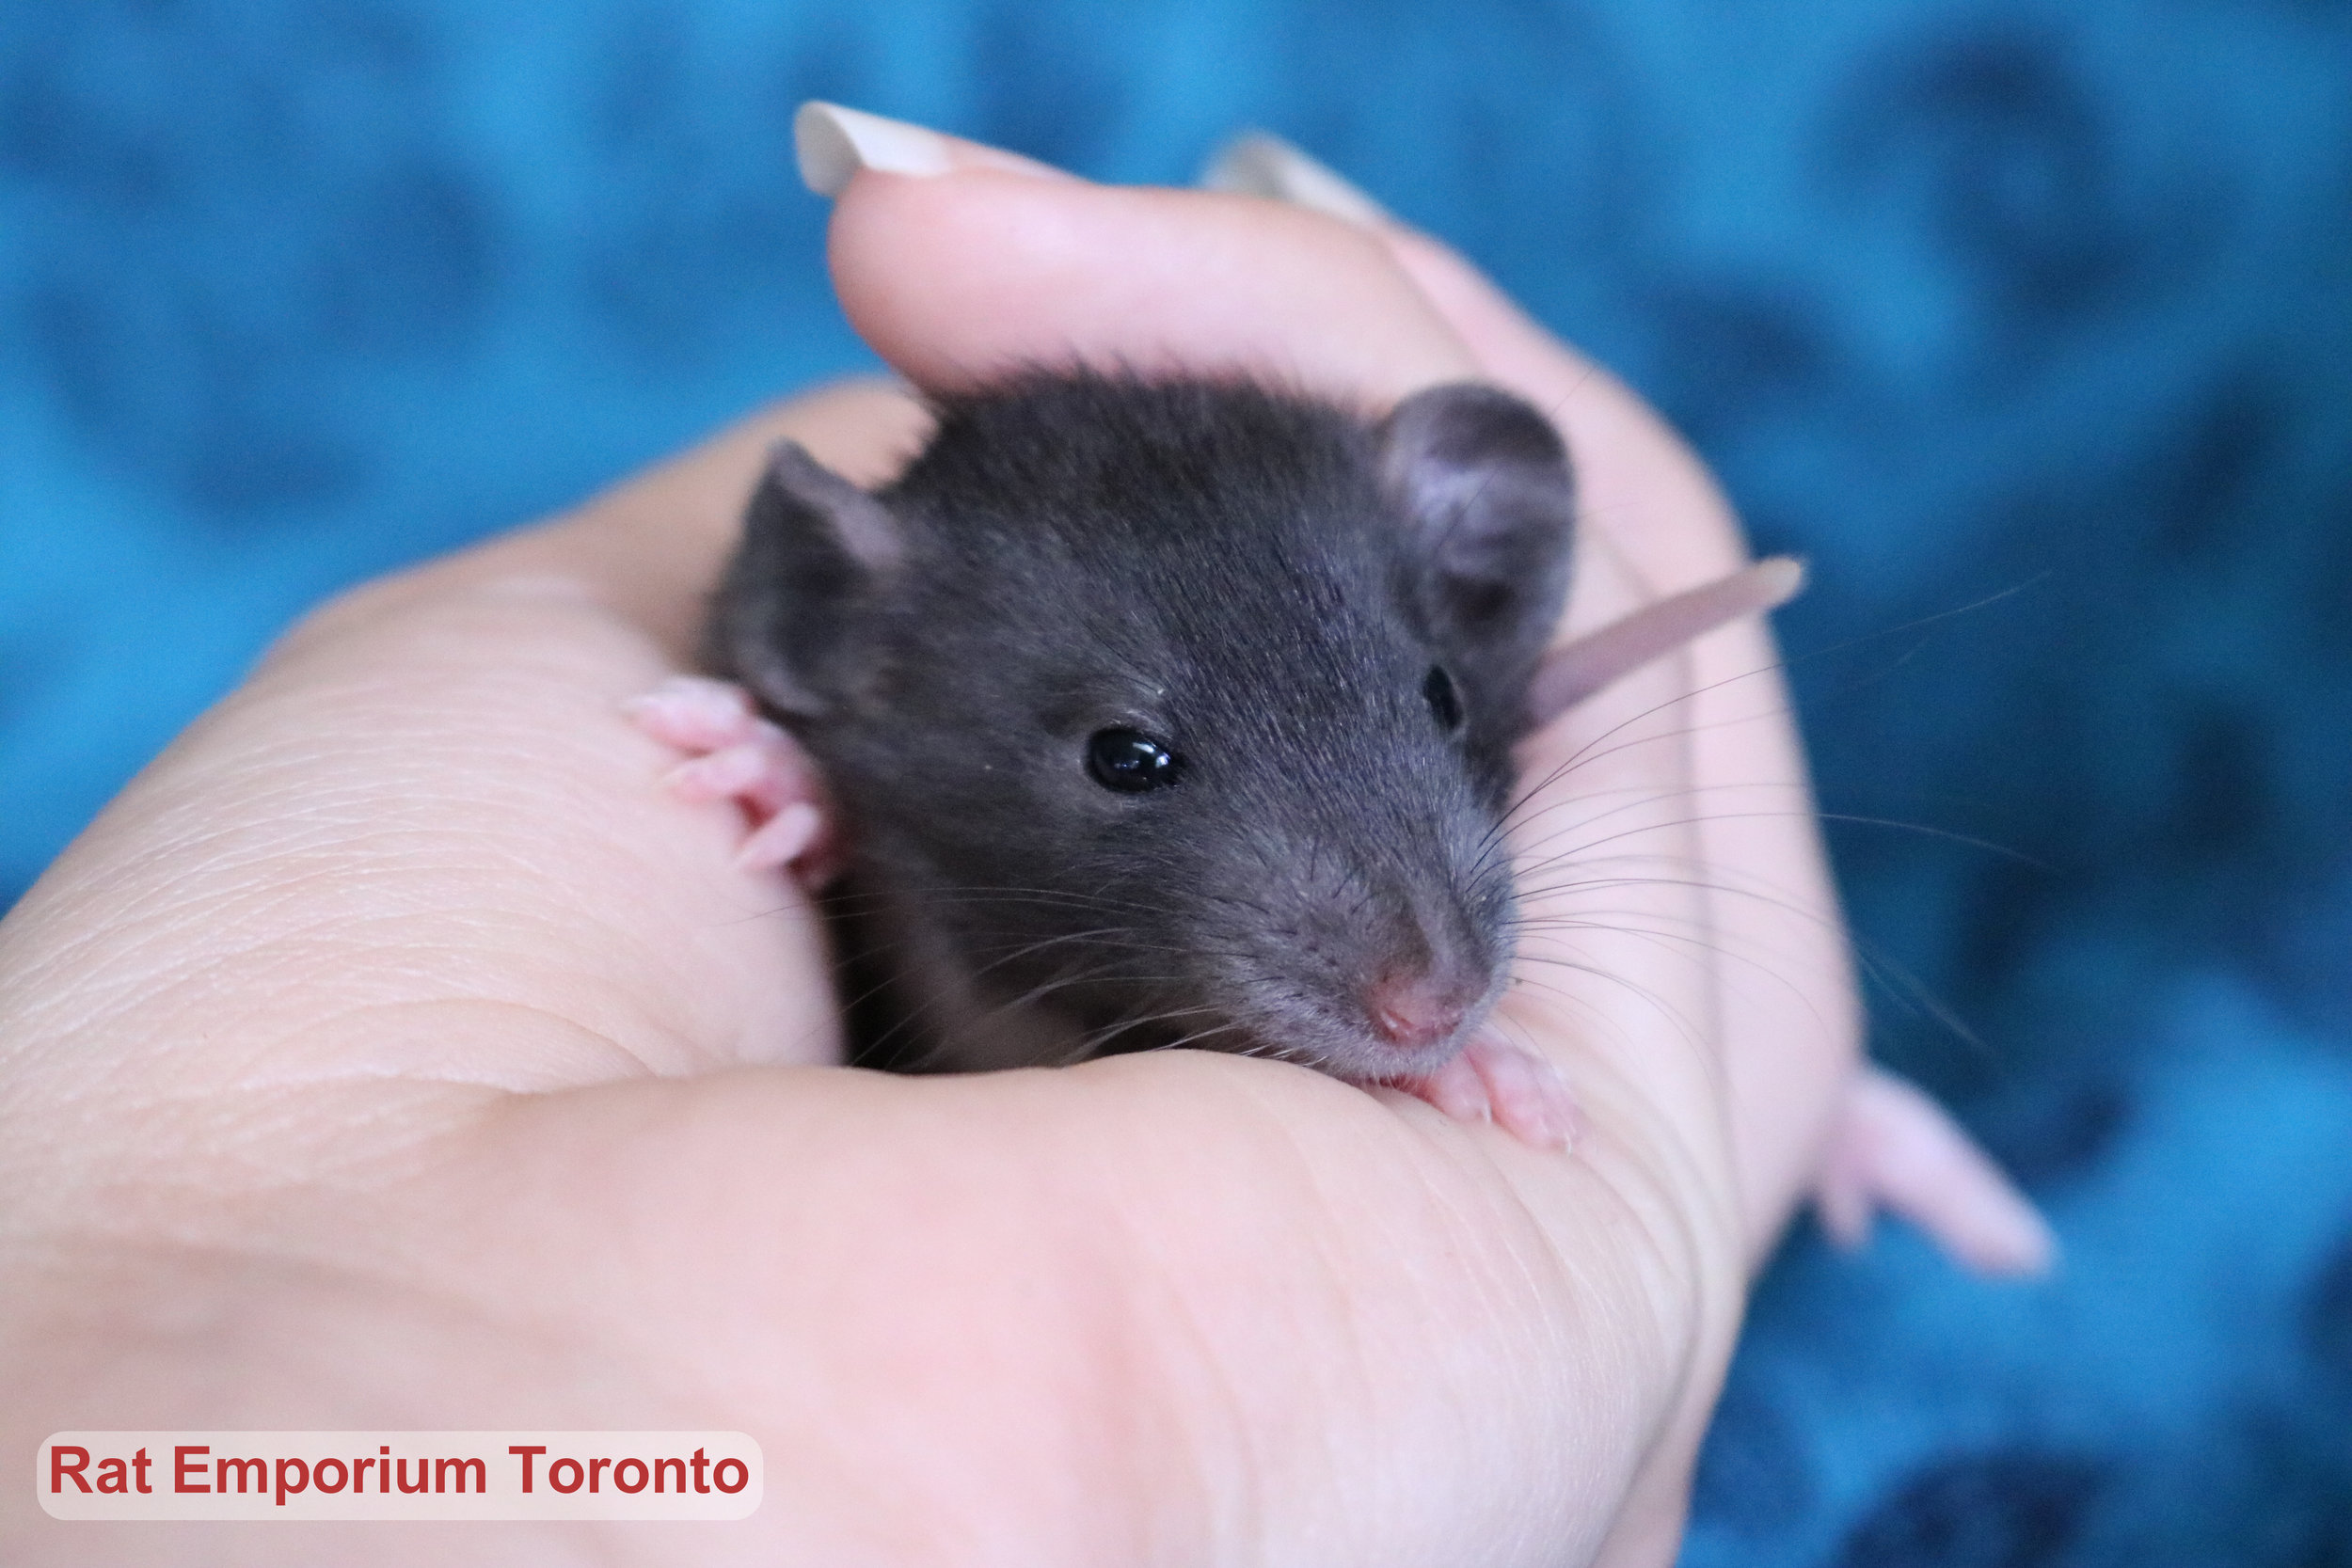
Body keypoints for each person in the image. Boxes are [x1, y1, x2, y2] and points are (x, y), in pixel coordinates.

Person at [0, 108, 1859, 1565]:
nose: (1419, 960)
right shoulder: (852, 713)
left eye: (1427, 709)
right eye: (1133, 759)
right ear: (835, 643)